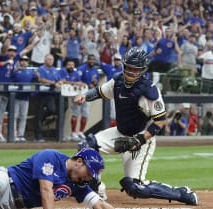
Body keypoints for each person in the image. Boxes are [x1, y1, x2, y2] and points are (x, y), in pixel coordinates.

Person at [74, 47, 198, 205]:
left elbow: (160, 121)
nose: (131, 72)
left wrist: (139, 139)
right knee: (86, 146)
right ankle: (96, 190)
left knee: (135, 188)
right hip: (119, 132)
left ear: (143, 70)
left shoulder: (150, 91)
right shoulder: (117, 81)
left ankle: (182, 193)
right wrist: (84, 96)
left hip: (141, 139)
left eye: (136, 69)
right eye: (129, 68)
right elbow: (99, 92)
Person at [0, 148, 114, 209]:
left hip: (6, 206)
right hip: (7, 181)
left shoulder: (78, 184)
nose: (89, 178)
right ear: (79, 161)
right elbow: (46, 191)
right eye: (89, 172)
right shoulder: (51, 157)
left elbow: (99, 204)